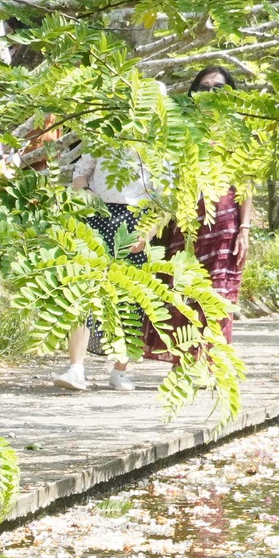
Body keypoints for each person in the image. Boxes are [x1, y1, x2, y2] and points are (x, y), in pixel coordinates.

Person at [149, 68, 249, 353]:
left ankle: (212, 360)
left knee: (218, 292)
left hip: (225, 219)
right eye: (204, 88)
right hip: (185, 218)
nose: (210, 94)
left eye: (218, 88)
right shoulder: (180, 126)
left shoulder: (236, 130)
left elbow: (245, 181)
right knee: (183, 288)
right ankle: (186, 361)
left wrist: (245, 228)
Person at [57, 147, 157, 392]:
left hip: (137, 219)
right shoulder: (104, 135)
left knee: (130, 296)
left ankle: (120, 371)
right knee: (83, 289)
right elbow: (80, 174)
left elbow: (163, 201)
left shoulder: (159, 142)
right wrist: (87, 193)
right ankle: (76, 368)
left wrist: (147, 233)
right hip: (97, 216)